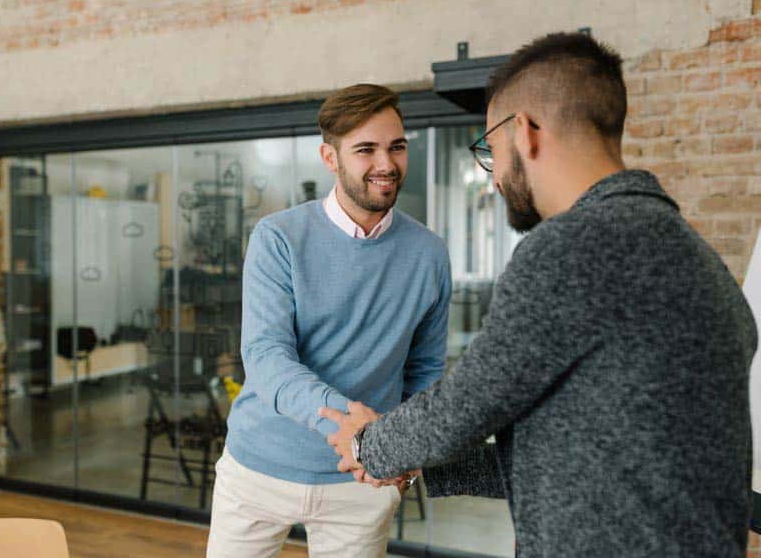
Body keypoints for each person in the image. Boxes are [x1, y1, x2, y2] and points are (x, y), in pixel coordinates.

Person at [321, 32, 759, 557]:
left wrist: (369, 445)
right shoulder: (693, 254)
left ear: (524, 133)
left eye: (491, 150)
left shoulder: (573, 246)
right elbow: (590, 452)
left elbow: (468, 404)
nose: (494, 179)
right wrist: (423, 462)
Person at [206, 83, 452, 558]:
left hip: (361, 481)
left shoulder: (429, 253)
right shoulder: (278, 238)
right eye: (366, 150)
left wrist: (402, 448)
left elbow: (424, 371)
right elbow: (266, 357)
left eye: (396, 147)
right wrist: (348, 428)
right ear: (330, 157)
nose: (386, 164)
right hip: (258, 468)